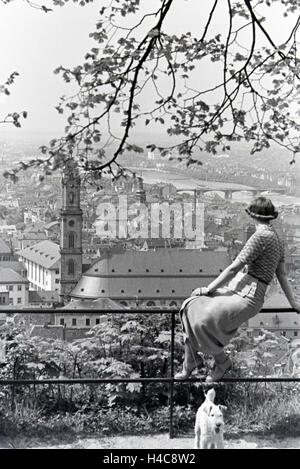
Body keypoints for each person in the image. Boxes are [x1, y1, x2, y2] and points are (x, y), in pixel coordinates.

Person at [175, 197, 300, 383]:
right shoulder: (277, 239)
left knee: (203, 318)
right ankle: (191, 361)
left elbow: (234, 268)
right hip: (246, 291)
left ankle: (220, 361)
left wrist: (208, 288)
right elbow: (281, 275)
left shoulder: (260, 237)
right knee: (190, 306)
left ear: (253, 216)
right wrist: (293, 303)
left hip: (245, 295)